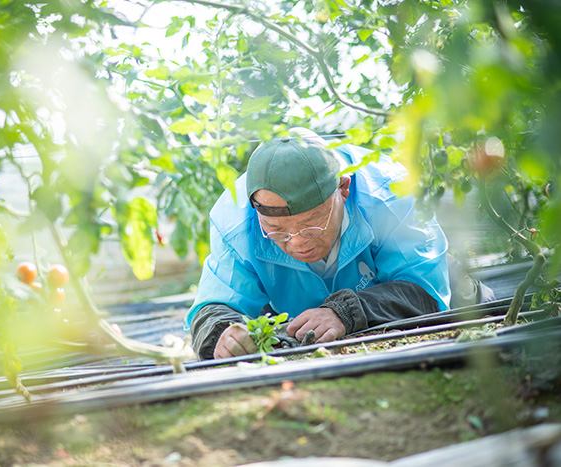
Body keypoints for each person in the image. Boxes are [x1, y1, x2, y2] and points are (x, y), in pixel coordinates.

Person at [185, 127, 493, 360]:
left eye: (311, 225)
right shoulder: (234, 223)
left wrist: (345, 312)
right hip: (305, 320)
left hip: (436, 290)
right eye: (277, 231)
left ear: (343, 190)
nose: (297, 244)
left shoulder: (391, 194)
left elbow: (426, 292)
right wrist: (224, 335)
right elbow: (212, 308)